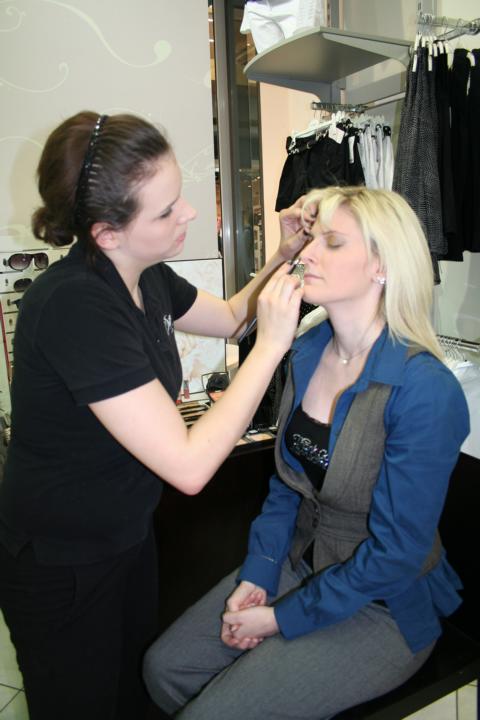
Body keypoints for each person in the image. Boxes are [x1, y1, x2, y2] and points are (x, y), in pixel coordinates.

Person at [0, 111, 307, 720]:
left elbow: (232, 317)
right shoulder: (74, 305)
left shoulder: (149, 277)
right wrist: (271, 347)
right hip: (62, 562)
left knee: (132, 694)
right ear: (107, 233)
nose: (188, 213)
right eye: (166, 212)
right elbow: (189, 467)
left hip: (127, 536)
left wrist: (284, 252)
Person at [143, 185, 470, 720]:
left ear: (382, 265)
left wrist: (281, 618)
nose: (307, 253)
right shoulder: (309, 349)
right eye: (313, 238)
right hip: (301, 563)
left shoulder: (425, 390)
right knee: (165, 669)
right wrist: (260, 572)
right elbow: (287, 487)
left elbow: (396, 555)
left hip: (382, 602)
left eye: (332, 243)